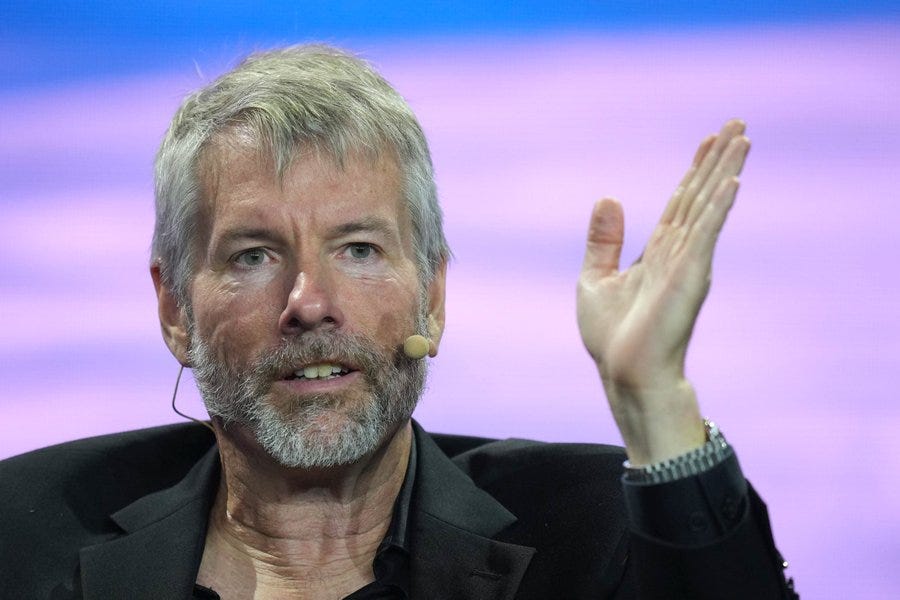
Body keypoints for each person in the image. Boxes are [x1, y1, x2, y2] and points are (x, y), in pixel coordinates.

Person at [0, 45, 798, 599]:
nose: (310, 301)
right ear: (175, 309)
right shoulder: (24, 532)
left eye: (359, 248)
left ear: (433, 299)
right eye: (253, 255)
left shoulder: (593, 538)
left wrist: (653, 403)